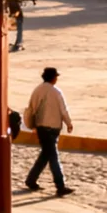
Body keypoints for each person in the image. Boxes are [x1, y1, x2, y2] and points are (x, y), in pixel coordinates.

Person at [23, 68, 75, 196]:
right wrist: (69, 123)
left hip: (41, 127)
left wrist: (32, 125)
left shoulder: (37, 90)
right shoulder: (56, 92)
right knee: (53, 157)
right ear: (53, 78)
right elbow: (63, 110)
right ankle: (60, 185)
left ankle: (31, 180)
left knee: (45, 155)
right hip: (52, 129)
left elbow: (31, 109)